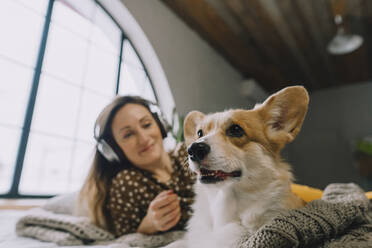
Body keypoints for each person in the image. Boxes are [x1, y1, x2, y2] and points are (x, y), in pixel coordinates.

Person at [77, 96, 196, 237]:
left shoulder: (187, 152)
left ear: (160, 124)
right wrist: (149, 225)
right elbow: (126, 240)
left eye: (146, 125)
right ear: (114, 150)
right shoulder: (126, 183)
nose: (144, 138)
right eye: (128, 135)